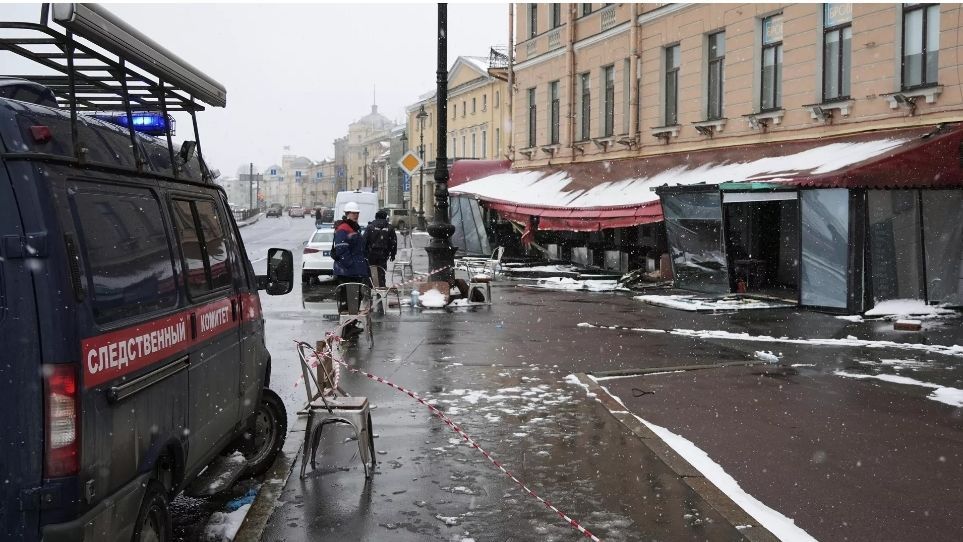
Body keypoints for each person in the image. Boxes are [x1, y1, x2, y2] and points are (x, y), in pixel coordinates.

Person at [362, 210, 397, 287]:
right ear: (385, 217)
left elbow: (364, 241)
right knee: (381, 273)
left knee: (371, 272)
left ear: (376, 217)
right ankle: (381, 290)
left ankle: (371, 289)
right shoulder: (389, 228)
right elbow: (393, 242)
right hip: (383, 254)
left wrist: (364, 253)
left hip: (371, 254)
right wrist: (393, 254)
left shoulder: (370, 227)